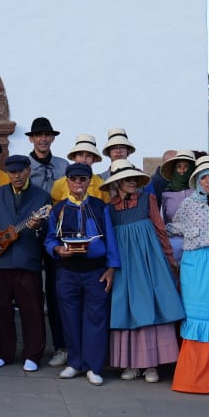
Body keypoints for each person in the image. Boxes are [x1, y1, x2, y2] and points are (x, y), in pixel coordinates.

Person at [103, 161, 183, 383]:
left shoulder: (148, 199)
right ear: (117, 182)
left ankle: (151, 364)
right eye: (127, 179)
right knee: (127, 307)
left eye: (134, 178)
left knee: (152, 304)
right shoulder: (109, 208)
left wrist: (169, 257)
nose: (132, 182)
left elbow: (160, 228)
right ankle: (131, 363)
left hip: (149, 259)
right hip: (124, 262)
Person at [44, 162, 119, 386]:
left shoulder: (99, 206)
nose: (78, 183)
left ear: (89, 182)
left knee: (96, 318)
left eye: (82, 179)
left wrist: (111, 268)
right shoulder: (58, 209)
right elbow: (50, 238)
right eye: (74, 179)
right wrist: (57, 249)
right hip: (67, 271)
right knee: (69, 317)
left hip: (95, 271)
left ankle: (94, 366)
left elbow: (111, 239)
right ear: (67, 181)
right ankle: (75, 362)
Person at [0, 154, 49, 372]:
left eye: (20, 171)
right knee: (0, 309)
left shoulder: (42, 196)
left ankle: (33, 355)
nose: (16, 176)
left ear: (28, 171)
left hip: (27, 261)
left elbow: (47, 232)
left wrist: (37, 226)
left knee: (32, 310)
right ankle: (3, 353)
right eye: (12, 172)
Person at [25, 117, 69, 367]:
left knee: (56, 292)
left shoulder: (63, 165)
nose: (43, 139)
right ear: (31, 138)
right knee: (30, 294)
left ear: (52, 138)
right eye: (38, 135)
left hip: (57, 235)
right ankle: (33, 347)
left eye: (47, 135)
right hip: (30, 235)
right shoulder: (24, 166)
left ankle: (61, 346)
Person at [49, 135, 105, 202]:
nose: (84, 160)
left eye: (88, 156)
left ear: (93, 159)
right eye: (80, 155)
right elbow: (55, 207)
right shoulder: (59, 184)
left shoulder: (101, 185)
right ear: (74, 157)